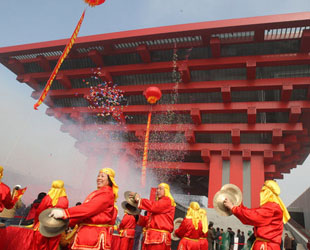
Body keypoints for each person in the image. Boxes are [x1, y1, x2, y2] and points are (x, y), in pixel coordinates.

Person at [49, 168, 118, 250]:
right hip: (87, 233)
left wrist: (65, 213)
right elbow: (85, 213)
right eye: (98, 176)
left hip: (93, 234)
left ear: (110, 180)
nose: (99, 178)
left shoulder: (106, 194)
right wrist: (65, 222)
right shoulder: (99, 192)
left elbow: (88, 209)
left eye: (102, 176)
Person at [223, 180, 291, 250]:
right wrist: (237, 204)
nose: (261, 194)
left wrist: (233, 208)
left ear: (268, 193)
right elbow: (251, 212)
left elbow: (253, 216)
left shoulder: (272, 207)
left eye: (263, 191)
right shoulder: (271, 207)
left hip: (266, 247)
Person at [130, 183, 176, 250]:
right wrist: (136, 216)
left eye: (160, 189)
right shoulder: (159, 205)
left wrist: (139, 200)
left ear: (166, 191)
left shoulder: (167, 201)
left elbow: (153, 206)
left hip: (159, 238)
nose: (158, 191)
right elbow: (148, 221)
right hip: (153, 237)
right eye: (157, 189)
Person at [32, 180, 69, 250]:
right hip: (56, 229)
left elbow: (39, 212)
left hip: (42, 227)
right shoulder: (65, 200)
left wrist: (35, 224)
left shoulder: (47, 198)